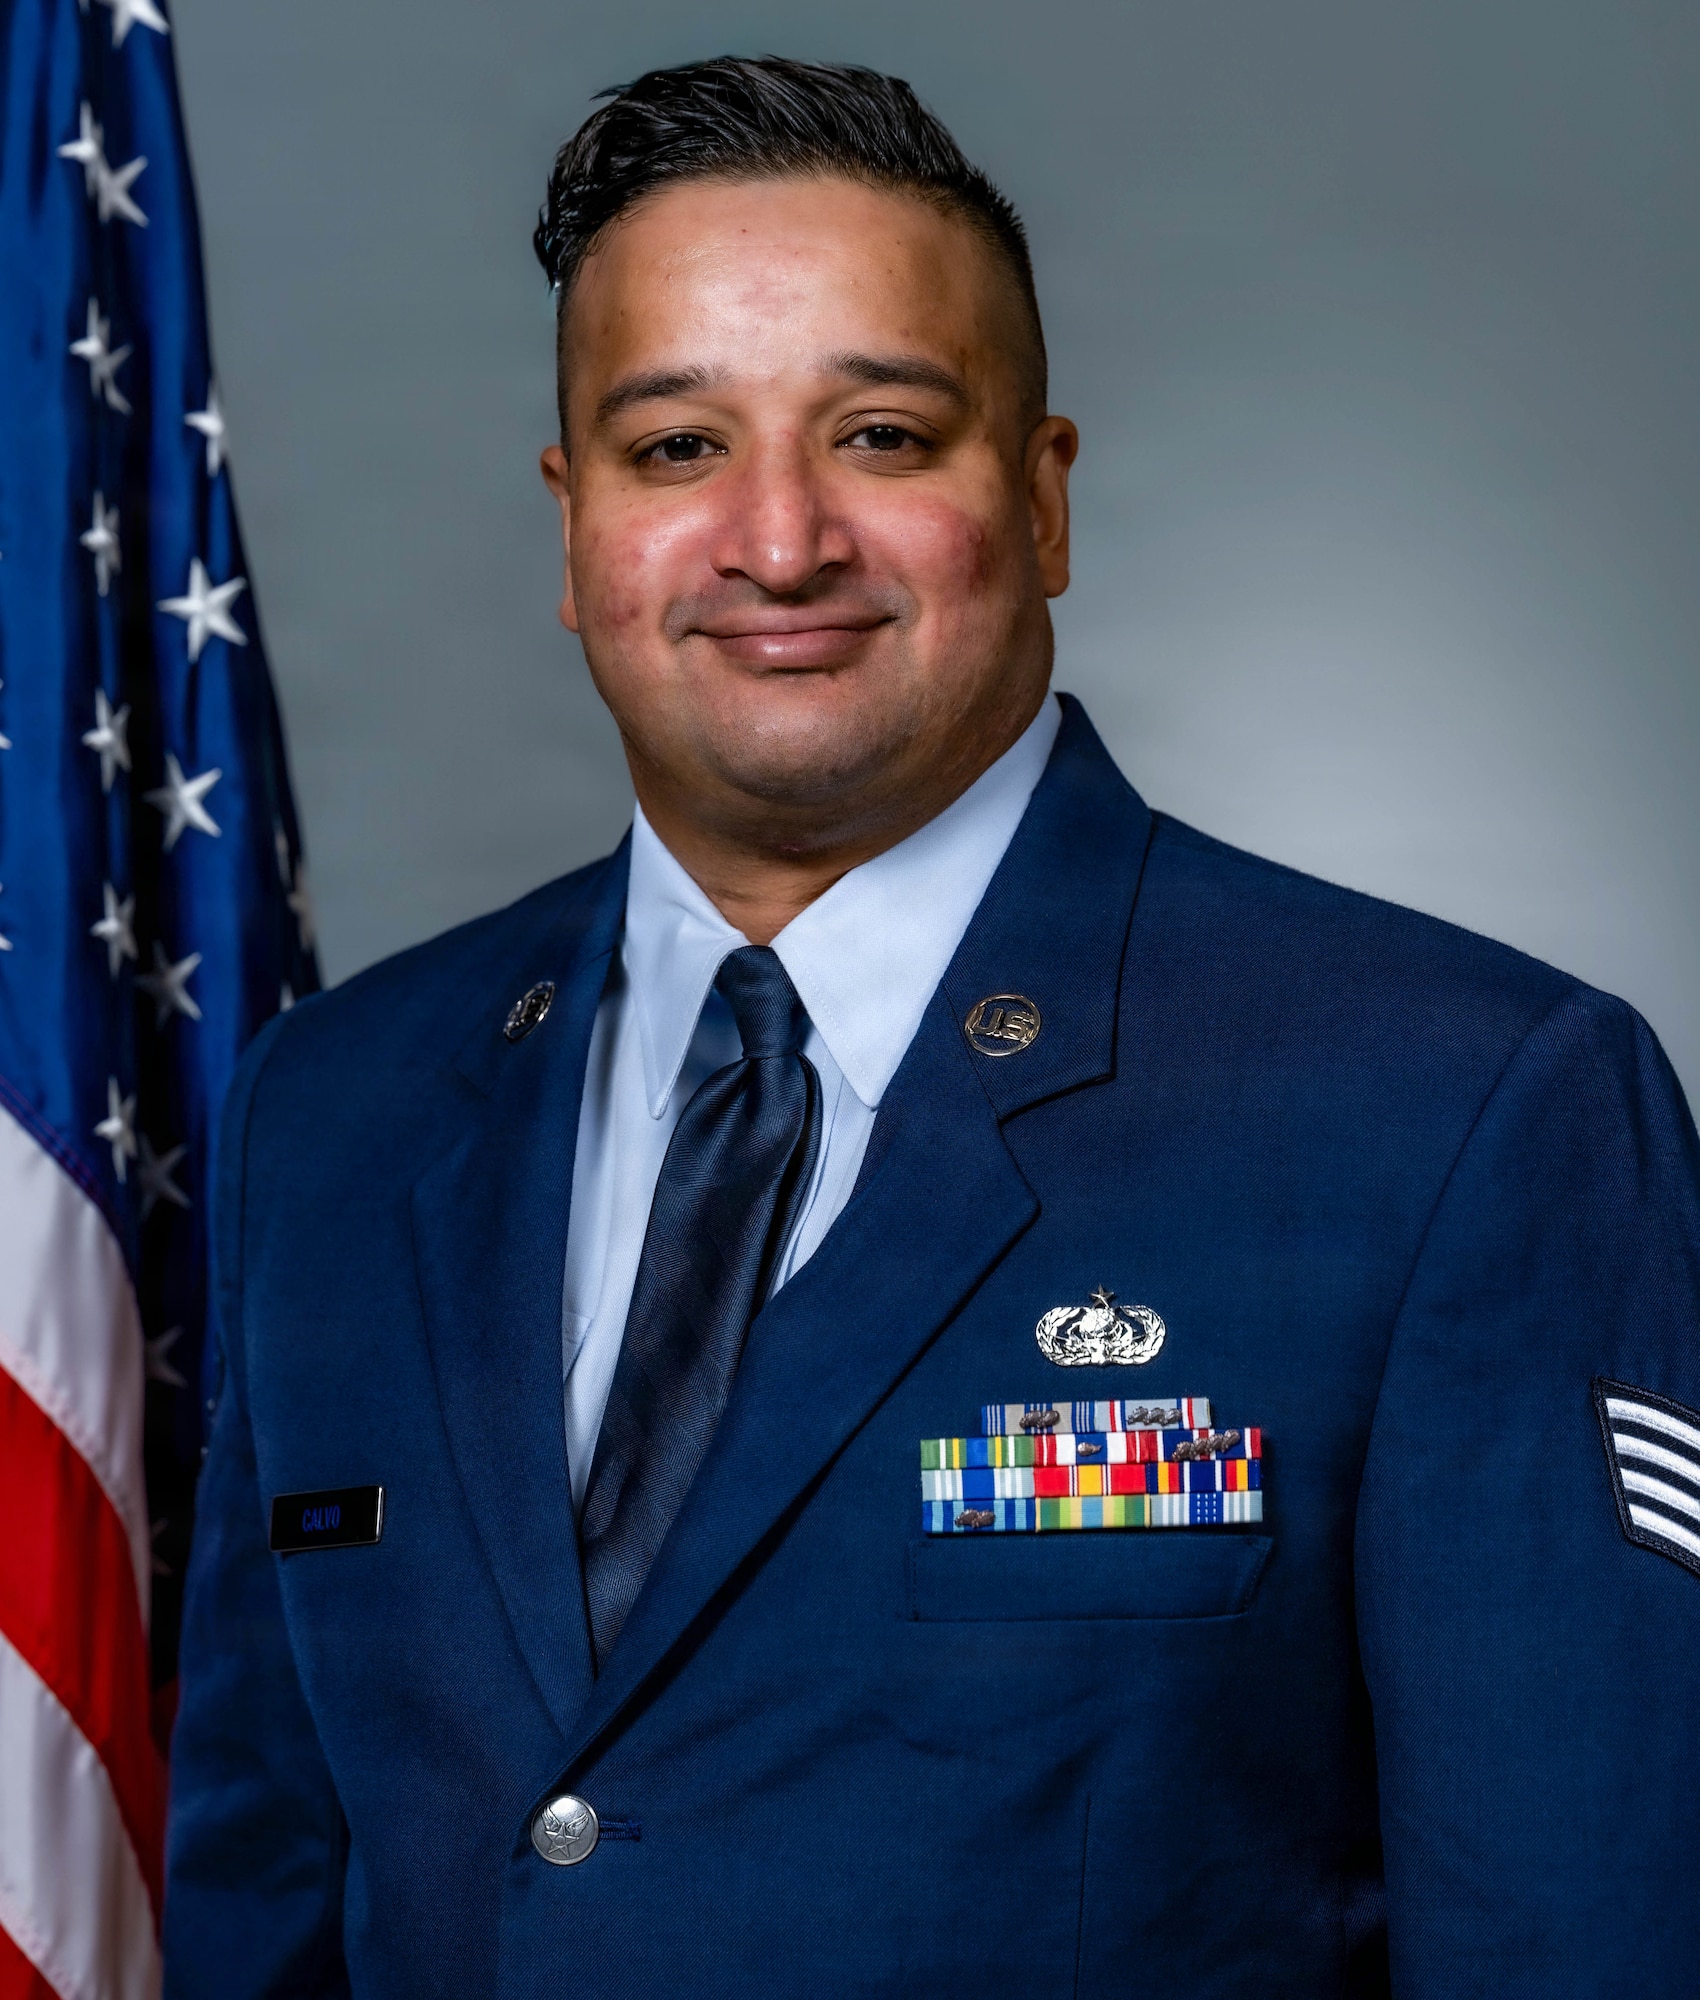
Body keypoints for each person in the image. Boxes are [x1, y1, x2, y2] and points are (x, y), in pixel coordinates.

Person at [163, 56, 1700, 1999]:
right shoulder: (335, 1110)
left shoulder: (1460, 1112)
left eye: (881, 435)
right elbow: (264, 1911)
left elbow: (1582, 1938)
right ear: (571, 529)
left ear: (1039, 497)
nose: (779, 538)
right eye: (672, 449)